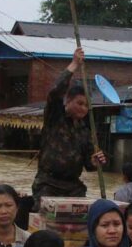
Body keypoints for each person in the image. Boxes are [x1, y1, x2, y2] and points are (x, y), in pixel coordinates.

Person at [31, 48, 107, 198]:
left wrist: (95, 161)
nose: (83, 108)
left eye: (86, 105)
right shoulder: (55, 117)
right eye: (79, 103)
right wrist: (74, 64)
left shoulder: (85, 130)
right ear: (68, 101)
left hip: (73, 186)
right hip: (48, 183)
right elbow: (55, 92)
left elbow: (89, 164)